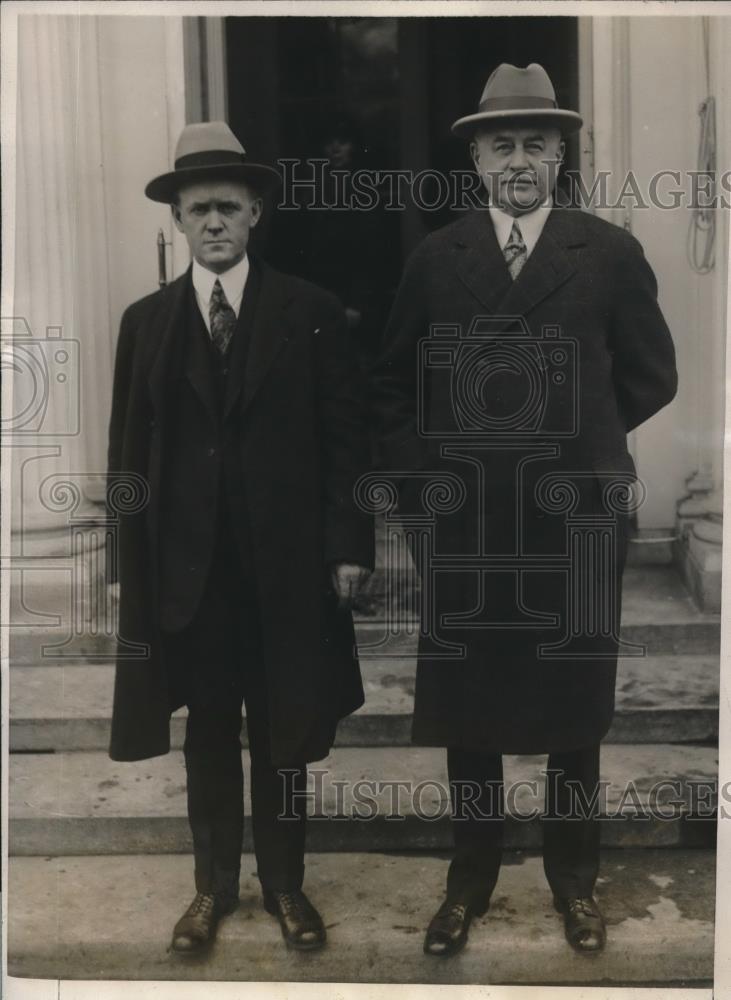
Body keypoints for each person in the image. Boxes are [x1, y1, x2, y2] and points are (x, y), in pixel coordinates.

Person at [370, 63, 677, 957]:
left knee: (572, 709)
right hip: (465, 526)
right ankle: (469, 881)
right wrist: (424, 488)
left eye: (534, 145)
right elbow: (391, 386)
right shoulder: (439, 258)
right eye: (499, 144)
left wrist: (575, 440)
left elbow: (651, 373)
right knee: (469, 709)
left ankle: (574, 883)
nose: (517, 161)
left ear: (559, 155)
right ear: (474, 158)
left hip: (571, 518)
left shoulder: (607, 251)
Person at [106, 121, 373, 954]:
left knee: (285, 729)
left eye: (227, 206)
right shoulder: (145, 323)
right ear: (177, 223)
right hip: (190, 572)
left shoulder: (312, 312)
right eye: (197, 210)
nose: (213, 223)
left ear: (255, 212)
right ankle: (211, 889)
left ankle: (286, 888)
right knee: (210, 731)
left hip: (285, 567)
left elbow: (346, 441)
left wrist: (349, 545)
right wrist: (126, 562)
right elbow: (127, 450)